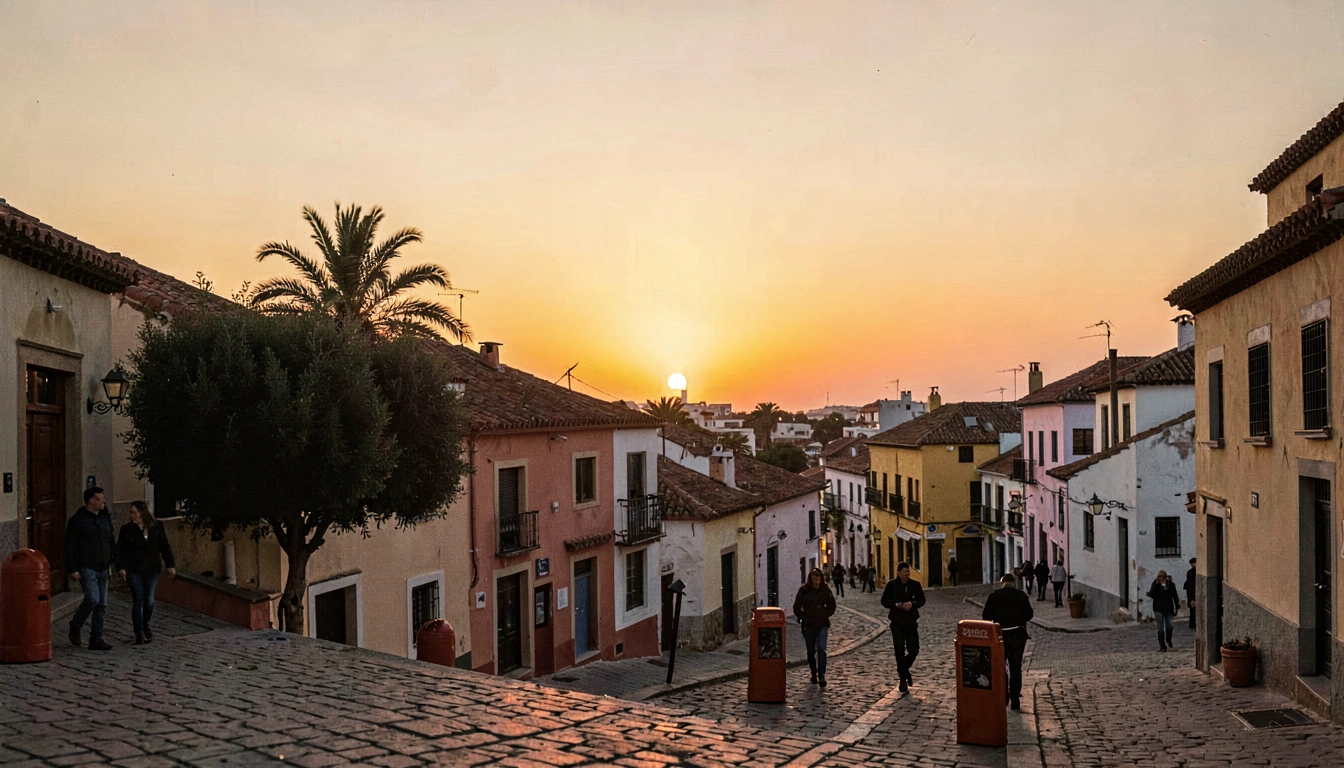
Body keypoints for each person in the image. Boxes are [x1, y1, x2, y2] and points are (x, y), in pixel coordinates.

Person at [117, 500, 177, 644]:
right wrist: (121, 568)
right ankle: (139, 632)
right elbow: (120, 550)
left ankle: (145, 624)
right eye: (131, 512)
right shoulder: (127, 529)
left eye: (134, 512)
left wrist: (170, 565)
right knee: (138, 599)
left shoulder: (156, 527)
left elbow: (164, 546)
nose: (132, 515)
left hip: (152, 568)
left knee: (149, 600)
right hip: (134, 569)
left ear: (142, 513)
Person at [65, 487, 118, 651]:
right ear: (91, 501)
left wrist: (117, 563)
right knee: (93, 599)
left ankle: (96, 638)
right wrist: (72, 568)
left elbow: (111, 541)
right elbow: (70, 546)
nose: (104, 501)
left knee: (102, 604)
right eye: (101, 498)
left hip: (104, 566)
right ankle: (76, 624)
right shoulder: (78, 520)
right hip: (87, 566)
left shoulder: (104, 518)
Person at [982, 572, 1034, 710]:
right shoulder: (1021, 595)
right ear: (1014, 583)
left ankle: (1003, 695)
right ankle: (1015, 698)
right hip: (1017, 634)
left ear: (1002, 583)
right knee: (1016, 667)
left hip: (1000, 634)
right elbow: (1029, 614)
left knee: (1000, 666)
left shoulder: (994, 596)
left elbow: (986, 616)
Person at [880, 561, 925, 693]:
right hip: (897, 623)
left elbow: (922, 600)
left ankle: (903, 670)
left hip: (911, 622)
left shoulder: (915, 585)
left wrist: (913, 604)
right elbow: (884, 601)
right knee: (899, 651)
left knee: (914, 649)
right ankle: (903, 680)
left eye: (908, 572)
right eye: (905, 572)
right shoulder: (892, 585)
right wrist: (897, 604)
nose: (907, 574)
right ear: (899, 572)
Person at [793, 568, 837, 686]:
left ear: (821, 578)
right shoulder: (804, 591)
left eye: (818, 577)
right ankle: (814, 673)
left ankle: (821, 675)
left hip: (822, 624)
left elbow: (832, 605)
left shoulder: (825, 590)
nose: (816, 579)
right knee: (811, 650)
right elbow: (797, 606)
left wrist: (825, 613)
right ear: (810, 578)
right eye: (814, 577)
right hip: (808, 624)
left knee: (822, 648)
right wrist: (802, 616)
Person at [1147, 570, 1181, 651]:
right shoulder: (1155, 584)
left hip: (1168, 608)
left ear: (1165, 577)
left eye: (1161, 576)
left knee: (1169, 626)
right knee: (1160, 628)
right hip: (1158, 608)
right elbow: (1152, 594)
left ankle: (1168, 639)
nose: (1159, 578)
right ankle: (1162, 646)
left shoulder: (1170, 585)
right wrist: (1156, 585)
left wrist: (1177, 604)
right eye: (1158, 576)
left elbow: (1174, 595)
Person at [1183, 558, 1197, 630]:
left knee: (1192, 610)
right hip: (1192, 592)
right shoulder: (1192, 572)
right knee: (1193, 609)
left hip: (1191, 592)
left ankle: (1192, 623)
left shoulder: (1190, 572)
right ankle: (1193, 623)